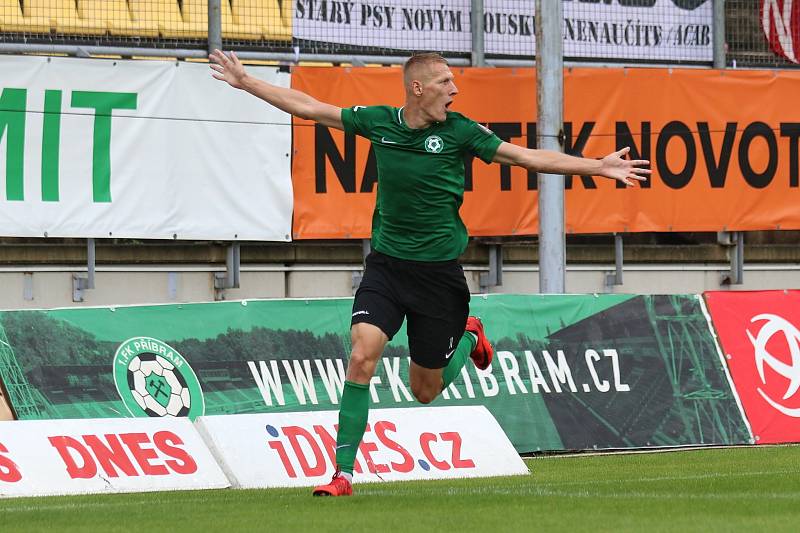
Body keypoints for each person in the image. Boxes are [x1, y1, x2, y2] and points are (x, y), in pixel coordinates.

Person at [209, 50, 650, 497]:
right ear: (418, 88)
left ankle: (469, 336)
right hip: (386, 268)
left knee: (424, 390)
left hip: (439, 278)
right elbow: (310, 107)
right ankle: (342, 474)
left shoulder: (460, 132)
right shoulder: (379, 122)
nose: (454, 90)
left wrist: (598, 166)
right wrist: (247, 82)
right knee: (361, 356)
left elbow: (525, 158)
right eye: (444, 83)